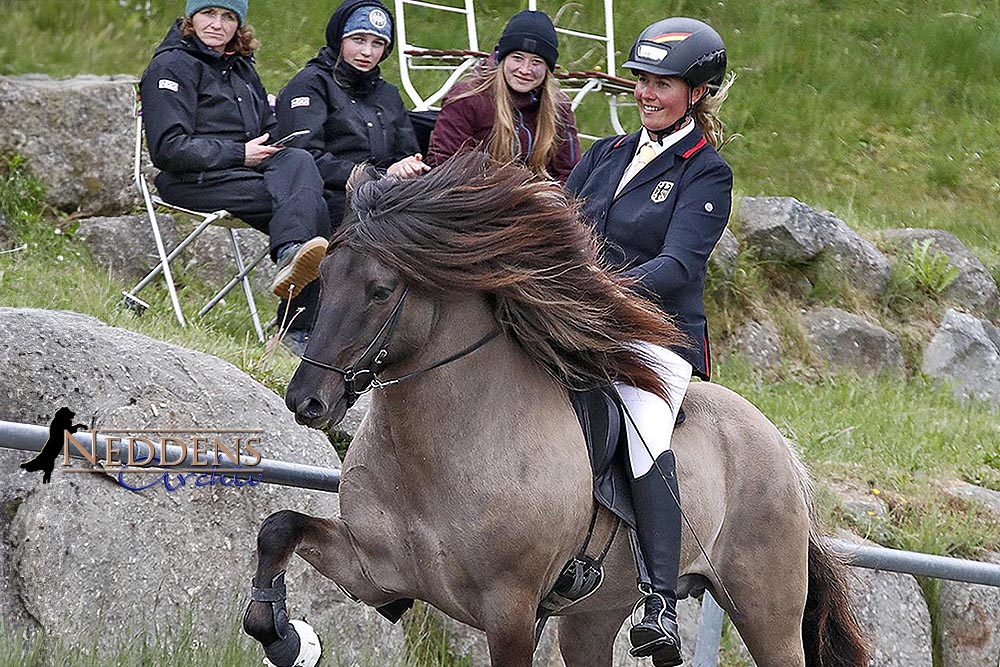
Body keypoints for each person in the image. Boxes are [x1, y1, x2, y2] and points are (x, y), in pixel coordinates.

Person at [564, 17, 733, 667]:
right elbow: (557, 223)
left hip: (653, 336)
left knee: (640, 426)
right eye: (641, 80)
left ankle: (659, 598)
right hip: (580, 323)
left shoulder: (706, 172)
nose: (646, 92)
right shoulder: (603, 154)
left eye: (662, 83)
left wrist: (597, 287)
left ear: (695, 93)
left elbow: (678, 265)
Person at [140, 0, 330, 355]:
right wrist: (239, 153)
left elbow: (266, 127)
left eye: (228, 17)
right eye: (209, 14)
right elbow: (168, 149)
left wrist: (277, 143)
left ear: (238, 24)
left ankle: (292, 253)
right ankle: (295, 326)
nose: (217, 24)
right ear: (191, 18)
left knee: (300, 163)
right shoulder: (170, 66)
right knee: (314, 207)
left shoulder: (241, 68)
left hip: (242, 174)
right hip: (190, 181)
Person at [275, 0, 428, 230]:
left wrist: (408, 167)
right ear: (340, 39)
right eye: (358, 40)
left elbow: (406, 153)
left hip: (387, 196)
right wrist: (381, 175)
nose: (367, 52)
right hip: (331, 197)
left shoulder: (388, 94)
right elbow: (305, 158)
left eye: (378, 43)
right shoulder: (310, 84)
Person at [426, 10, 580, 183]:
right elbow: (444, 164)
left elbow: (571, 174)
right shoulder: (467, 98)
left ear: (547, 69)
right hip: (475, 199)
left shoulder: (560, 108)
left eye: (536, 62)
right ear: (502, 59)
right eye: (517, 58)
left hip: (538, 202)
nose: (524, 70)